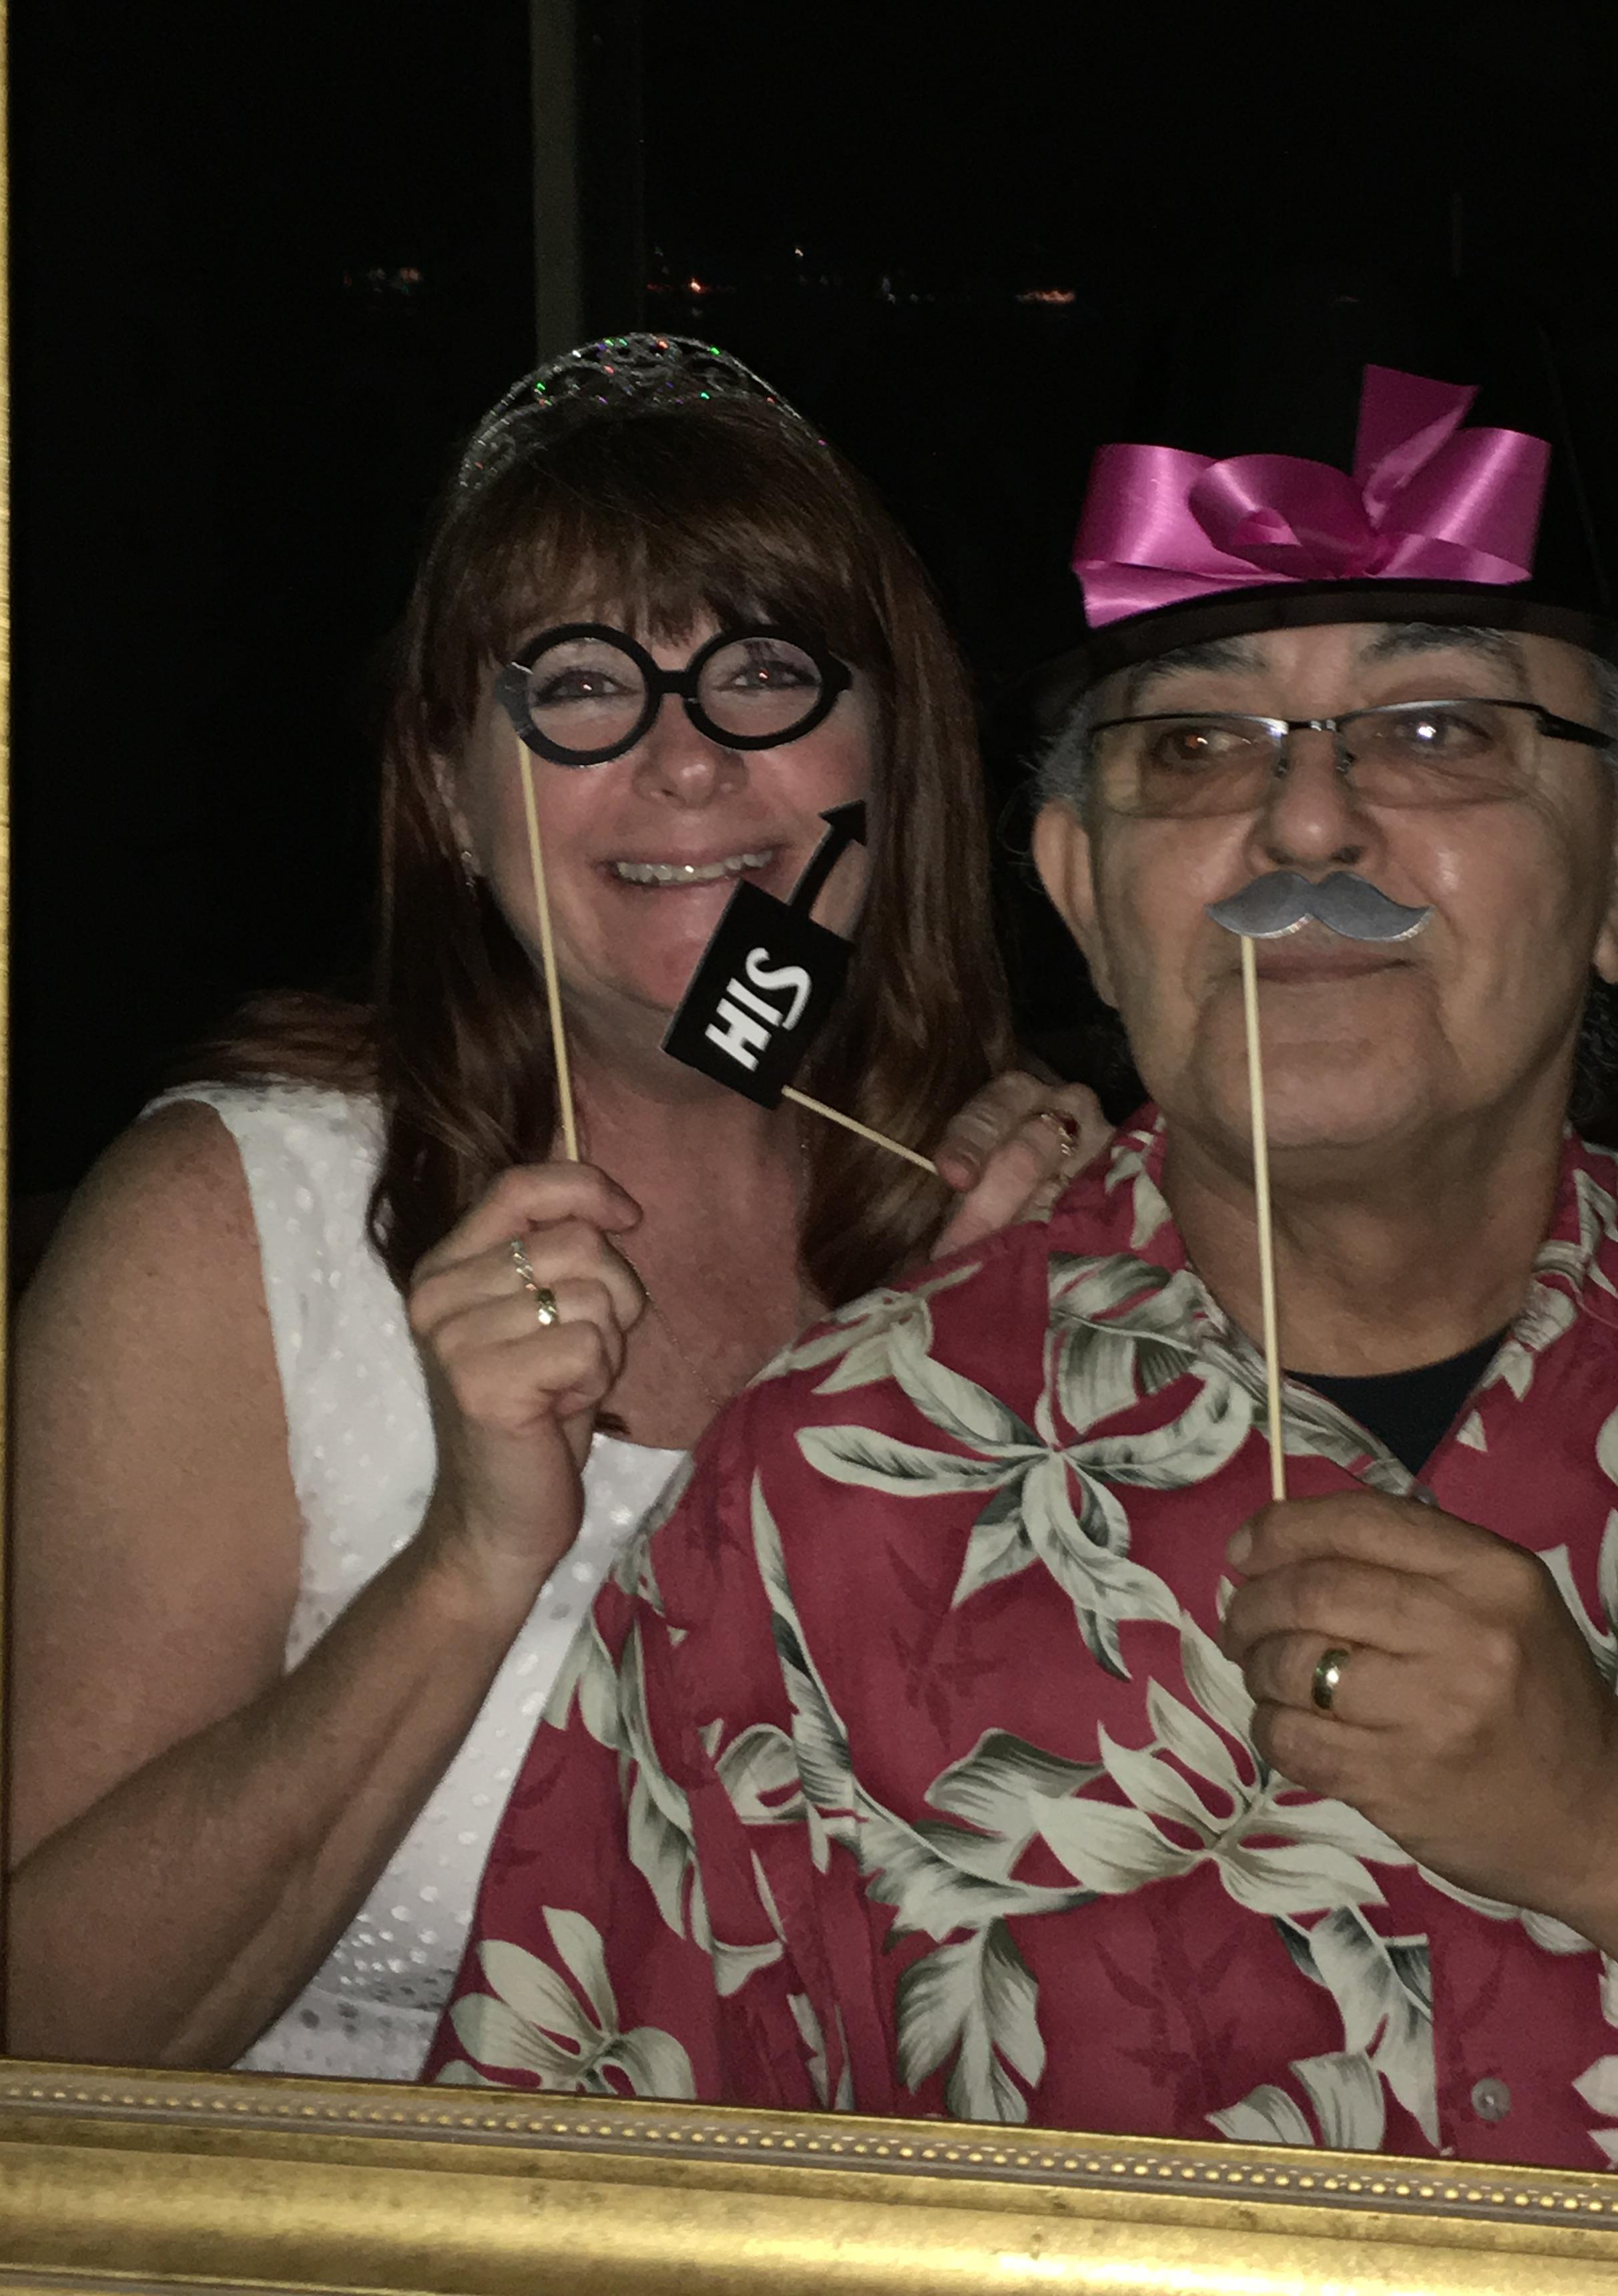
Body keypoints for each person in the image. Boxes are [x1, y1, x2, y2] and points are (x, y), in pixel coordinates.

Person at [427, 363, 1618, 2176]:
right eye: (1198, 748)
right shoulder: (821, 1496)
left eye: (1437, 733)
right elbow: (561, 2210)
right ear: (1079, 888)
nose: (1306, 833)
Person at [5, 334, 1109, 2082]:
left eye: (767, 670)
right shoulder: (233, 1225)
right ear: (450, 792)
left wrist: (981, 1380)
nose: (686, 765)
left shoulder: (1034, 1220)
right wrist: (469, 1562)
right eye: (580, 686)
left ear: (890, 756)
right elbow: (42, 2042)